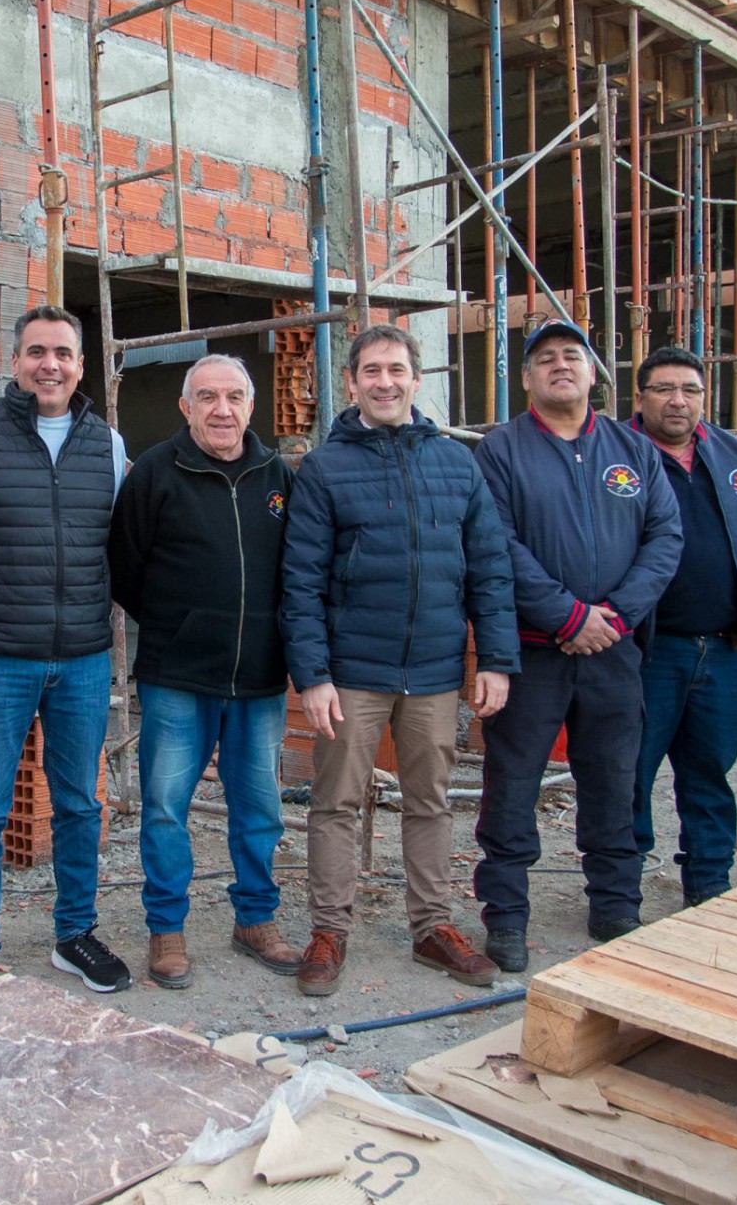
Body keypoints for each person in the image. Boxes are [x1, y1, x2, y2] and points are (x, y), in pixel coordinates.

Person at [281, 325, 517, 997]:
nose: (385, 381)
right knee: (335, 803)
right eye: (371, 371)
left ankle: (432, 927)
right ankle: (329, 930)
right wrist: (314, 676)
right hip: (354, 671)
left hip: (438, 669)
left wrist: (493, 659)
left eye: (397, 369)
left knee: (431, 801)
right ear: (351, 383)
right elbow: (300, 581)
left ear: (416, 380)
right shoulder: (326, 468)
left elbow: (491, 572)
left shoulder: (456, 464)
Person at [0, 306, 133, 995]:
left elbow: (128, 552)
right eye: (37, 352)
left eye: (64, 354)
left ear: (80, 365)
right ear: (14, 361)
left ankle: (75, 934)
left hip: (80, 657)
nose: (51, 364)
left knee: (79, 805)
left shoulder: (107, 446)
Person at [473, 321, 681, 971]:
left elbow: (665, 537)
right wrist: (566, 615)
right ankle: (506, 917)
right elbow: (497, 544)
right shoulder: (500, 451)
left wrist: (614, 617)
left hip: (613, 653)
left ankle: (615, 904)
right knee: (512, 787)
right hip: (533, 652)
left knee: (613, 781)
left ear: (594, 372)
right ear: (528, 378)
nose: (560, 366)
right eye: (545, 359)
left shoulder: (632, 450)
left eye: (573, 356)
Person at [107, 353, 302, 990]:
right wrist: (182, 623)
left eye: (235, 397)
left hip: (260, 679)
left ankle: (256, 919)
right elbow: (127, 569)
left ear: (250, 405)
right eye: (208, 397)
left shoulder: (277, 474)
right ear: (185, 407)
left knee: (260, 808)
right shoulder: (156, 474)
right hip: (178, 675)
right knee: (166, 808)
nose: (223, 409)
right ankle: (166, 930)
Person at [627, 346, 737, 907]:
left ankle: (710, 881)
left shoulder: (733, 455)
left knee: (711, 770)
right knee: (632, 772)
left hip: (722, 649)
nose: (678, 400)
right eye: (664, 389)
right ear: (639, 398)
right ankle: (623, 886)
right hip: (648, 650)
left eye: (690, 390)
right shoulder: (616, 454)